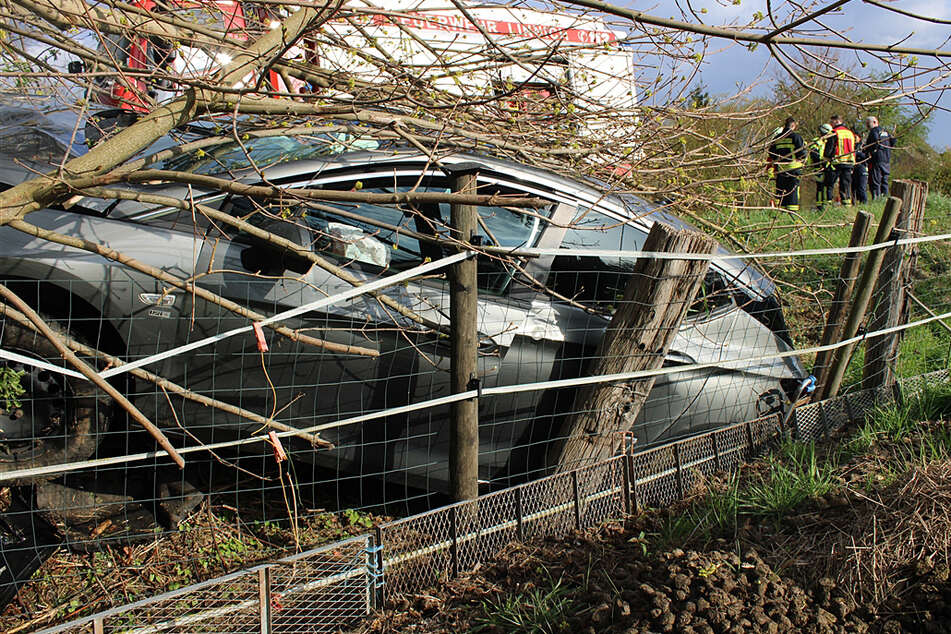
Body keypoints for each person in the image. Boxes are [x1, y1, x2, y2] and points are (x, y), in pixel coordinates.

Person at [768, 117, 806, 211]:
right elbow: (802, 153)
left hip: (781, 169)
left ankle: (782, 212)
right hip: (794, 168)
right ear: (793, 125)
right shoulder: (796, 137)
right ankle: (792, 213)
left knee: (782, 192)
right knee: (792, 191)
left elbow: (771, 153)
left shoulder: (777, 138)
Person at [824, 114, 856, 206]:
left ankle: (828, 205)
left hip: (836, 162)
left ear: (837, 121)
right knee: (845, 185)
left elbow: (829, 149)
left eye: (832, 122)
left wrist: (826, 158)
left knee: (829, 184)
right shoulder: (850, 133)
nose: (831, 124)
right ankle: (847, 205)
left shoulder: (834, 132)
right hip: (849, 162)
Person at [865, 115, 894, 198]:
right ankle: (885, 197)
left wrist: (868, 151)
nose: (867, 126)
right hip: (886, 159)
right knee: (885, 180)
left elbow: (873, 143)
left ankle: (876, 198)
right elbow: (893, 141)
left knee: (876, 181)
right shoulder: (885, 131)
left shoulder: (874, 131)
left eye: (868, 124)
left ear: (874, 122)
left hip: (876, 160)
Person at [810, 123, 834, 211]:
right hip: (819, 167)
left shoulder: (830, 140)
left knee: (829, 187)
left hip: (829, 167)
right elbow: (814, 154)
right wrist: (821, 161)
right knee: (820, 187)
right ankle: (820, 206)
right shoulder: (816, 141)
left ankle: (827, 206)